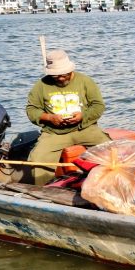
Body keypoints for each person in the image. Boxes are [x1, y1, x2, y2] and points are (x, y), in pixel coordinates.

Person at [25, 49, 110, 185]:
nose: (61, 78)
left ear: (70, 69)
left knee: (110, 151)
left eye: (64, 74)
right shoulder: (41, 86)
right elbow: (31, 110)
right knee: (38, 158)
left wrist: (83, 116)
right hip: (54, 133)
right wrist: (49, 118)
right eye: (56, 76)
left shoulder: (85, 81)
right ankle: (44, 189)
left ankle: (107, 184)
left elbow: (98, 105)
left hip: (85, 129)